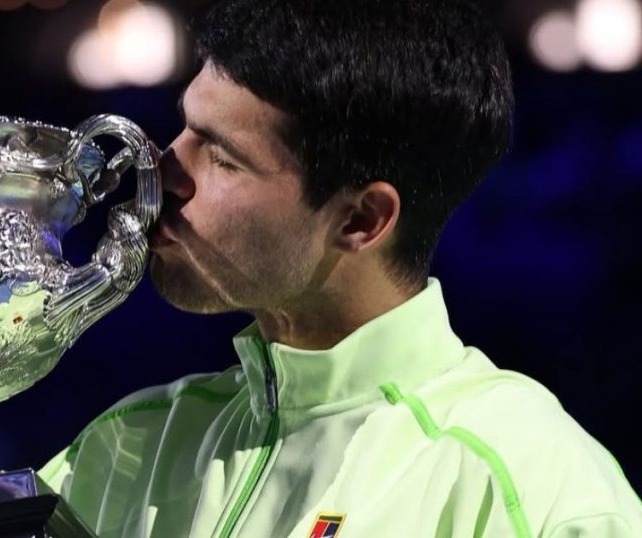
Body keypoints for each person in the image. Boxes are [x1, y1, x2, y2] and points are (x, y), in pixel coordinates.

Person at [39, 0, 642, 536]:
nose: (162, 172)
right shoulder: (122, 450)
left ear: (361, 220)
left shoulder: (536, 491)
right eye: (184, 127)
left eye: (222, 157)